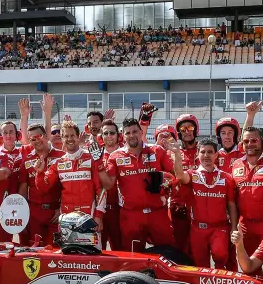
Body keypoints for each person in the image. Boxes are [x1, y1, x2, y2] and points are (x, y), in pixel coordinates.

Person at [100, 117, 182, 250]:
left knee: (168, 253)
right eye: (128, 133)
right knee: (133, 257)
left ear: (141, 133)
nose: (131, 135)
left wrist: (165, 183)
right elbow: (109, 185)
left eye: (134, 131)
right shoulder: (115, 156)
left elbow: (175, 176)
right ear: (123, 136)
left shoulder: (157, 150)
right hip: (131, 216)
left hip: (157, 213)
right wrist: (98, 164)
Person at [173, 137, 237, 268]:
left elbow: (231, 205)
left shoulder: (227, 178)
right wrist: (177, 155)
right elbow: (180, 176)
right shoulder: (192, 175)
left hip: (220, 228)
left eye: (210, 152)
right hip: (198, 229)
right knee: (200, 265)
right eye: (202, 152)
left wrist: (234, 228)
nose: (206, 155)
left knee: (220, 255)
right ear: (197, 154)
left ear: (216, 155)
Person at [36, 120, 107, 236]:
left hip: (89, 215)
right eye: (66, 136)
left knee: (90, 253)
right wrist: (39, 173)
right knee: (69, 252)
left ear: (78, 137)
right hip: (67, 218)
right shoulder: (58, 163)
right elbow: (44, 187)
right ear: (62, 139)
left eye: (72, 135)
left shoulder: (91, 158)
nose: (70, 139)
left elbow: (101, 189)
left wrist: (99, 216)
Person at [230, 127, 263, 271]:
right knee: (250, 269)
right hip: (246, 225)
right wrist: (234, 226)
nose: (250, 144)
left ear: (262, 142)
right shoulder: (236, 164)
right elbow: (233, 199)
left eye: (254, 140)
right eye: (246, 141)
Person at [19, 121, 65, 245]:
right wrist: (23, 213)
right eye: (32, 139)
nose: (36, 141)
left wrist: (61, 208)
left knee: (55, 252)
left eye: (38, 136)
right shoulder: (27, 160)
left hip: (55, 211)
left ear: (45, 136)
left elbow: (67, 186)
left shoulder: (61, 157)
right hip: (35, 213)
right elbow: (23, 188)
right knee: (35, 251)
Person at [171, 113, 201, 255]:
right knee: (180, 248)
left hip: (201, 206)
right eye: (183, 129)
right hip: (179, 208)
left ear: (196, 130)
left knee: (198, 249)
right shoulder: (172, 153)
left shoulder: (205, 151)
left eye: (190, 127)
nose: (187, 131)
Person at [97, 119, 123, 251]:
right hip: (99, 209)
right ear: (101, 136)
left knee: (119, 249)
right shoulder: (95, 155)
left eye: (112, 133)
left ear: (118, 135)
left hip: (119, 209)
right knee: (98, 249)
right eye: (105, 133)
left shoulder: (126, 152)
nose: (109, 136)